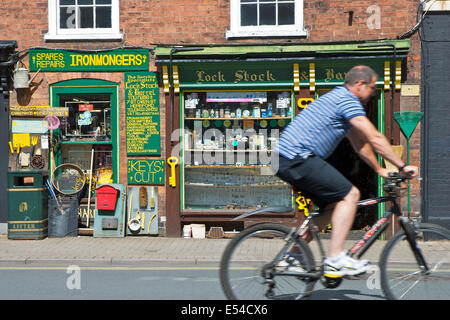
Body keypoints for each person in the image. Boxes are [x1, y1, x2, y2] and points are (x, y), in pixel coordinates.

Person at [273, 65, 419, 277]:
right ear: (360, 84)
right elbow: (375, 137)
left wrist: (379, 169)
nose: (372, 94)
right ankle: (335, 260)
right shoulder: (347, 100)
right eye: (372, 88)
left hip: (288, 159)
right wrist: (402, 166)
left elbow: (360, 144)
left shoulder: (339, 100)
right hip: (296, 158)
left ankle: (292, 257)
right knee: (350, 195)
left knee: (331, 210)